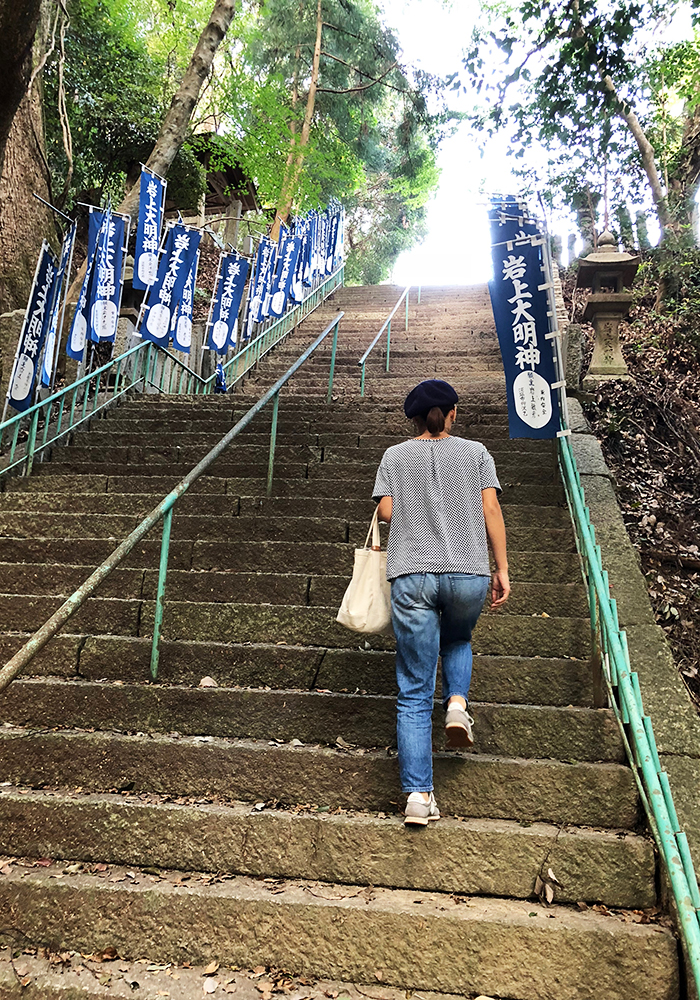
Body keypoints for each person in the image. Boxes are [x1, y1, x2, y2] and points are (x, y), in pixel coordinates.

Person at [372, 379, 510, 827]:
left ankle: (417, 795)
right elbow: (491, 511)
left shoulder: (394, 455)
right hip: (467, 571)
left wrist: (413, 500)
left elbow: (388, 514)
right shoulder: (476, 453)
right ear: (452, 413)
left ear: (414, 418)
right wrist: (501, 569)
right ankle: (455, 703)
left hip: (411, 574)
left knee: (413, 691)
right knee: (458, 637)